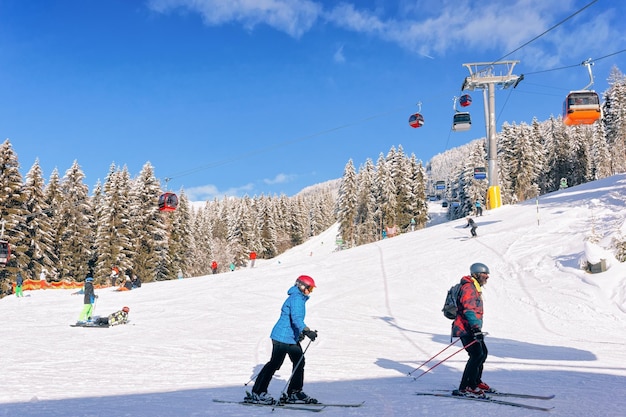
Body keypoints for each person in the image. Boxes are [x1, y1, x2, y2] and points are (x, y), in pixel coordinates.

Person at [245, 275, 318, 405]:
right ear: (302, 286)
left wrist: (299, 333)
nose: (310, 291)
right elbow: (296, 318)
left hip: (290, 337)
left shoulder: (299, 298)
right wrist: (306, 331)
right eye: (309, 288)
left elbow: (293, 320)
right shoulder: (296, 299)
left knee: (299, 361)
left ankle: (294, 392)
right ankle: (258, 392)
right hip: (282, 337)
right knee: (275, 364)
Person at [452, 263, 490, 398]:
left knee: (483, 353)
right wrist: (475, 329)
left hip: (472, 328)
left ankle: (475, 382)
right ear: (476, 274)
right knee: (476, 355)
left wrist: (477, 328)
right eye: (485, 274)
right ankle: (467, 386)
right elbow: (468, 310)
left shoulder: (475, 287)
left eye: (487, 274)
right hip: (466, 328)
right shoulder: (469, 288)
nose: (487, 276)